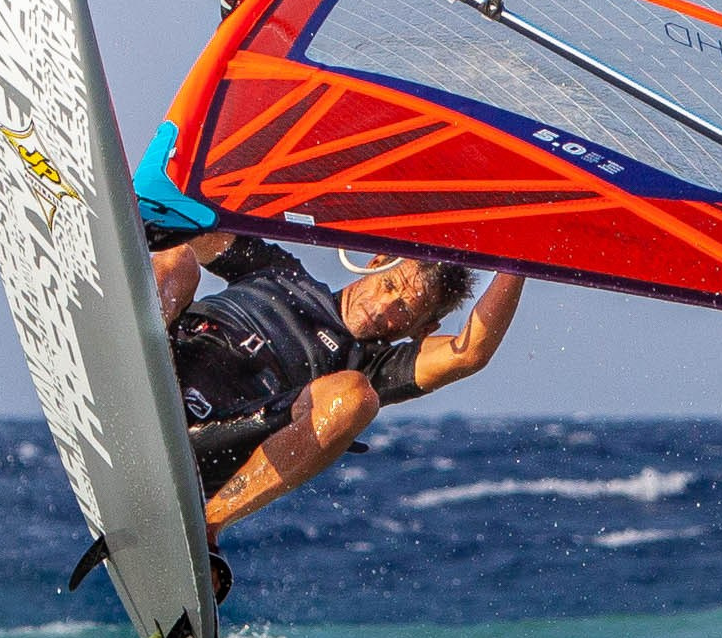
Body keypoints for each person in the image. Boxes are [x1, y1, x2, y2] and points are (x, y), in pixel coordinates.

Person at [150, 232, 524, 548]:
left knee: (356, 397)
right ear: (377, 262)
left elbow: (470, 351)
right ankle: (112, 351)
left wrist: (520, 252)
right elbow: (192, 224)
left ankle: (206, 527)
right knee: (177, 254)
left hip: (211, 438)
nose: (381, 307)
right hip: (161, 368)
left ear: (423, 328)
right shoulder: (279, 271)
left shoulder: (370, 366)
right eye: (390, 285)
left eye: (404, 310)